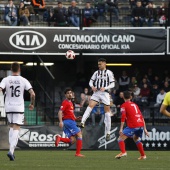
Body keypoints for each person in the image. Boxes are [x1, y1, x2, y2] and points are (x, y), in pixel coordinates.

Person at [0, 62, 35, 161]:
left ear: (11, 69)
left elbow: (0, 89)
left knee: (11, 126)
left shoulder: (6, 79)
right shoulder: (23, 80)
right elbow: (33, 94)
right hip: (19, 107)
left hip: (8, 107)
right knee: (17, 127)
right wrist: (32, 104)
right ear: (19, 69)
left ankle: (12, 151)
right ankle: (11, 151)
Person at [79, 58, 115, 141]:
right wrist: (92, 86)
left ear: (105, 64)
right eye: (98, 64)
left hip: (105, 93)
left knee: (107, 113)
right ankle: (82, 121)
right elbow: (91, 81)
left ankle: (108, 132)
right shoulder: (96, 72)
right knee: (90, 106)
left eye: (100, 64)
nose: (99, 66)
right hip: (97, 92)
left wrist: (105, 87)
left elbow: (113, 84)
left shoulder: (109, 73)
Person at [115, 91, 149, 160]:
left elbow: (123, 117)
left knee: (120, 138)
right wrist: (145, 129)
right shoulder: (135, 105)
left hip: (133, 125)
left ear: (123, 97)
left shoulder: (123, 105)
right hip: (140, 125)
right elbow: (141, 117)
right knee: (136, 138)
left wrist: (121, 128)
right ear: (131, 97)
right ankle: (143, 155)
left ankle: (123, 152)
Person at [55, 88, 84, 157]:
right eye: (68, 93)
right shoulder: (65, 102)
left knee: (73, 140)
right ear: (65, 95)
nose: (69, 94)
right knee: (80, 135)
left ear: (72, 94)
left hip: (67, 122)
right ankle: (77, 153)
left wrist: (76, 118)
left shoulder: (71, 103)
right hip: (69, 122)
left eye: (70, 93)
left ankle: (60, 138)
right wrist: (60, 122)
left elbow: (70, 113)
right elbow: (60, 112)